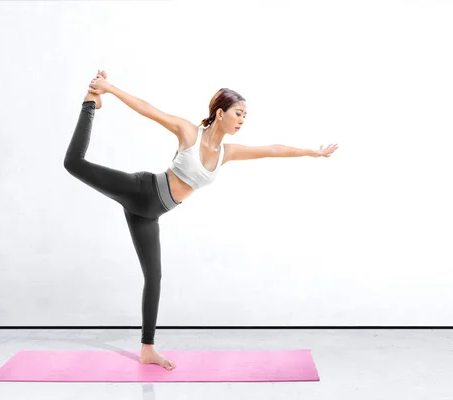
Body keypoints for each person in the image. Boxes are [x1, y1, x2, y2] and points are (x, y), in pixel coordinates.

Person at [63, 70, 339, 371]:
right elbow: (148, 109)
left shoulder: (227, 153)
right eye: (238, 113)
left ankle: (147, 349)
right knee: (73, 163)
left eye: (245, 115)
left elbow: (272, 150)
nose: (242, 120)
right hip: (141, 190)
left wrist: (311, 152)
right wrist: (108, 89)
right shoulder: (188, 133)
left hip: (149, 214)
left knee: (154, 279)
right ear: (220, 113)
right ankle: (91, 102)